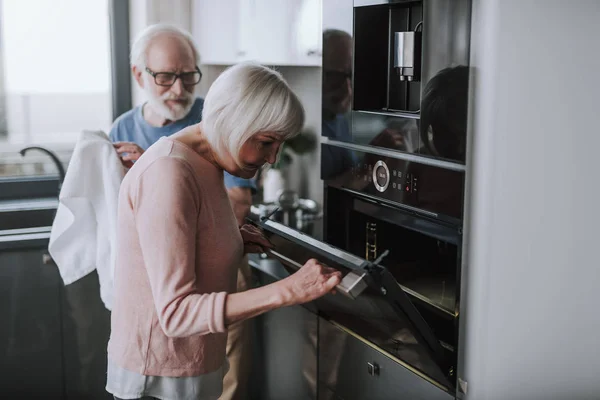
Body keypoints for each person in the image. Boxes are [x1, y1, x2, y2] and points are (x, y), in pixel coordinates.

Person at [105, 62, 342, 400]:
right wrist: (290, 289)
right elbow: (175, 314)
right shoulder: (169, 172)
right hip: (159, 378)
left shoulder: (206, 162)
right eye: (265, 143)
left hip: (188, 366)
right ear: (233, 125)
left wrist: (230, 238)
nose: (273, 158)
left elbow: (186, 237)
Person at [108, 24, 254, 399]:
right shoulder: (123, 127)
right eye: (166, 77)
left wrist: (154, 168)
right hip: (153, 279)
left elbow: (238, 201)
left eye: (188, 76)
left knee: (222, 370)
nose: (179, 89)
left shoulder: (215, 121)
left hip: (218, 266)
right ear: (139, 74)